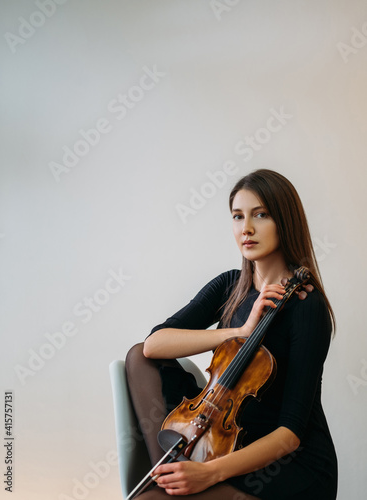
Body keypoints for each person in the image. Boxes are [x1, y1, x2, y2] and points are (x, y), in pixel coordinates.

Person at [125, 169, 337, 500]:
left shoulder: (305, 307)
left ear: (285, 221)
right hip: (226, 437)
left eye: (261, 215)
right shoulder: (228, 286)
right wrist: (240, 332)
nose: (246, 228)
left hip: (285, 464)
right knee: (139, 358)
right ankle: (173, 475)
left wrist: (208, 474)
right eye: (238, 216)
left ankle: (176, 483)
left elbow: (291, 434)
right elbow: (153, 346)